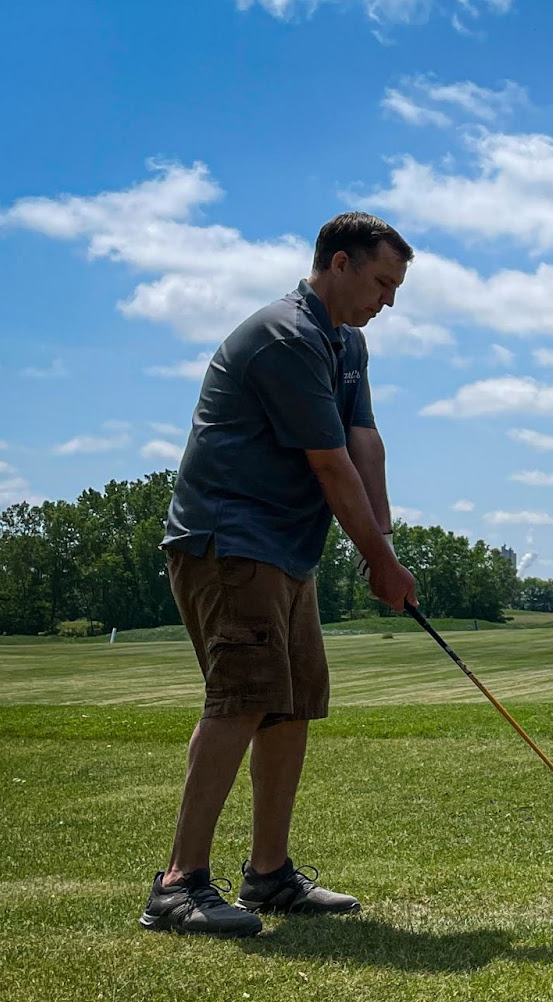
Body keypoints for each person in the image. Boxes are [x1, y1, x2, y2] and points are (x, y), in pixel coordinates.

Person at [140, 212, 420, 937]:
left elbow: (364, 443)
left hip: (285, 550)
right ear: (338, 263)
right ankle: (178, 884)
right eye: (382, 282)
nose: (387, 301)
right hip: (229, 540)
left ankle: (269, 874)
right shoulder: (287, 336)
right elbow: (327, 463)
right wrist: (380, 562)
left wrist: (379, 545)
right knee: (239, 699)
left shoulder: (345, 342)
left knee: (290, 704)